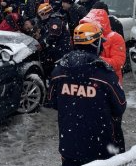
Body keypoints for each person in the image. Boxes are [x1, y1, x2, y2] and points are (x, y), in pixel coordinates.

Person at [47, 22, 126, 165]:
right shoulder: (104, 75)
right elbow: (120, 106)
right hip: (101, 149)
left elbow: (52, 101)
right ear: (95, 44)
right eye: (101, 42)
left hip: (69, 146)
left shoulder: (58, 71)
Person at [36, 3, 71, 78]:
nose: (40, 16)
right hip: (54, 49)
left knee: (56, 70)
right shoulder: (49, 20)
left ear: (45, 12)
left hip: (60, 50)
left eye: (41, 14)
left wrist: (42, 44)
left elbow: (53, 36)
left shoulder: (55, 20)